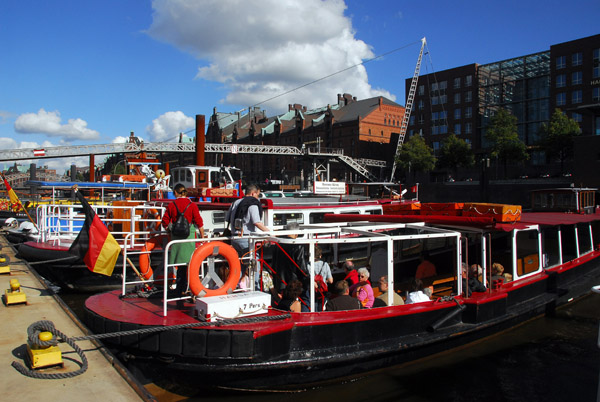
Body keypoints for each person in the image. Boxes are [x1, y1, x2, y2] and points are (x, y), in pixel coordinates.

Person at [161, 183, 204, 296]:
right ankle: (191, 289)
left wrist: (169, 232)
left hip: (176, 239)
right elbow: (199, 223)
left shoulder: (171, 205)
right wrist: (203, 238)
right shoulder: (192, 205)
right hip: (189, 237)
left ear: (175, 192)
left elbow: (164, 222)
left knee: (180, 265)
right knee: (191, 264)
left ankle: (180, 289)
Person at [225, 184, 269, 289]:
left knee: (239, 265)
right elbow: (257, 222)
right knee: (254, 263)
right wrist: (269, 232)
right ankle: (256, 287)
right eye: (258, 195)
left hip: (234, 238)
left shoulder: (235, 202)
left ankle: (234, 287)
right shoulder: (252, 204)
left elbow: (227, 218)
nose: (258, 198)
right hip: (246, 239)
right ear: (253, 193)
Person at [271, 222, 307, 293]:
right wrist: (307, 280)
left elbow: (273, 264)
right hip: (293, 284)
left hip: (280, 283)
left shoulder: (277, 245)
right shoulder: (298, 246)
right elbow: (302, 267)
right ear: (296, 233)